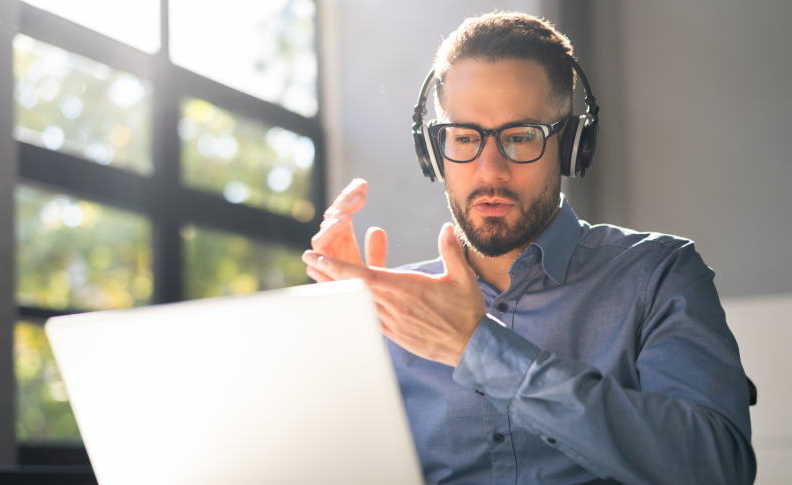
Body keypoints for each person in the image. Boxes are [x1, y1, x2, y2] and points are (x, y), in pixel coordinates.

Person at [301, 11, 756, 485]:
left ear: (571, 144)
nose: (490, 171)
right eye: (464, 138)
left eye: (520, 137)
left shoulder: (659, 275)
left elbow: (718, 469)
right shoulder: (394, 310)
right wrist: (340, 339)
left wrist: (476, 348)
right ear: (433, 151)